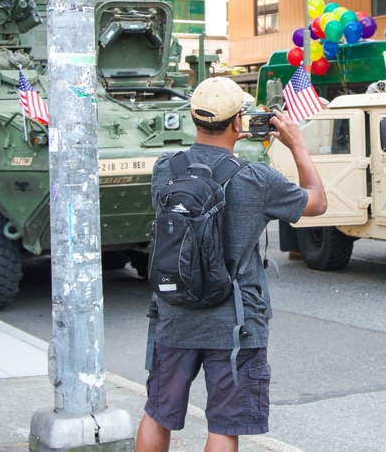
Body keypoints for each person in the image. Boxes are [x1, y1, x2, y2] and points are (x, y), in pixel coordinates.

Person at [135, 76, 327, 452]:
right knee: (223, 425)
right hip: (235, 323)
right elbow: (317, 202)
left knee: (158, 412)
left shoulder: (165, 168)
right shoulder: (256, 178)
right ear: (239, 122)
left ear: (194, 117)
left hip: (174, 313)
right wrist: (297, 144)